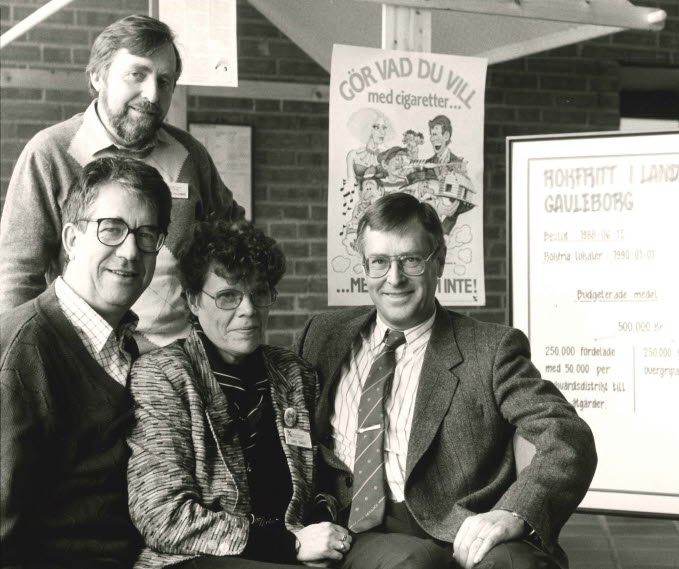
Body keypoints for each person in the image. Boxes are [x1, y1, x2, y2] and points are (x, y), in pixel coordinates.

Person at [297, 192, 597, 569]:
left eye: (411, 260)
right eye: (380, 262)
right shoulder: (322, 335)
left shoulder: (490, 348)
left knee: (518, 564)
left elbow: (566, 434)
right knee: (414, 563)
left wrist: (513, 513)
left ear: (438, 261)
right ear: (365, 267)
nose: (394, 279)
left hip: (463, 525)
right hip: (352, 527)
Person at [0, 14, 244, 351]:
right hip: (83, 361)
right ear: (98, 76)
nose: (152, 95)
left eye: (164, 81)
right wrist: (24, 359)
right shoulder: (50, 152)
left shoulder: (190, 155)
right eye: (137, 75)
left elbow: (233, 241)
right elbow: (17, 275)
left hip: (181, 357)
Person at [127, 219, 351, 569]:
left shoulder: (295, 374)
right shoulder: (163, 376)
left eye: (258, 293)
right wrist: (290, 545)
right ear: (194, 301)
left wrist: (321, 530)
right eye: (228, 296)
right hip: (198, 560)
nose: (248, 309)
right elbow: (162, 516)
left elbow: (327, 480)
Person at [0, 156, 172, 569]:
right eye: (111, 228)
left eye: (147, 234)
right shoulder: (23, 354)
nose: (130, 251)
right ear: (72, 239)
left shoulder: (123, 346)